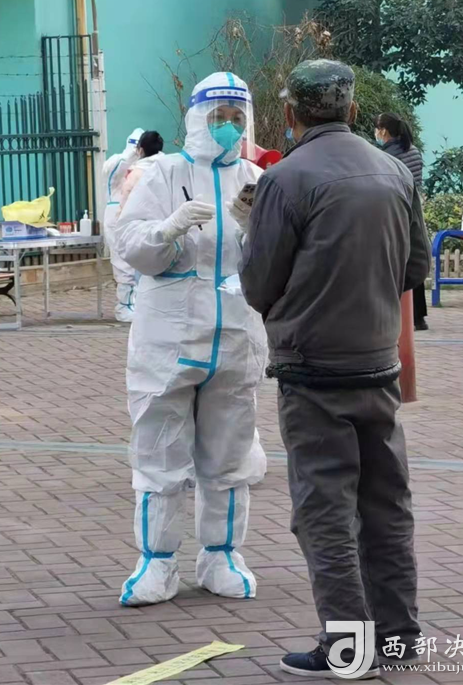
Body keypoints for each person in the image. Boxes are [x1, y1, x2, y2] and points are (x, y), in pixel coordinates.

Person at [239, 59, 430, 679]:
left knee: (325, 513)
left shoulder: (285, 179)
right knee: (386, 507)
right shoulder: (394, 171)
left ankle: (349, 646)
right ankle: (399, 638)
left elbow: (258, 284)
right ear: (352, 110)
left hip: (313, 370)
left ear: (290, 113)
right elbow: (415, 269)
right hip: (377, 365)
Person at [115, 72, 267, 606]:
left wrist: (254, 228)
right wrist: (169, 228)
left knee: (229, 454)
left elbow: (274, 261)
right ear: (197, 117)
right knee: (159, 452)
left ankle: (221, 555)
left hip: (235, 334)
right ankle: (156, 562)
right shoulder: (162, 173)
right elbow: (132, 245)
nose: (227, 127)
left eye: (237, 118)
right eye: (218, 116)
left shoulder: (255, 178)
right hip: (168, 338)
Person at [374, 112, 428, 331]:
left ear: (383, 131)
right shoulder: (412, 150)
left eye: (377, 128)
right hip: (412, 211)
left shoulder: (386, 156)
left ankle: (398, 314)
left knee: (396, 262)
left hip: (394, 212)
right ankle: (418, 317)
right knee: (413, 260)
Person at [102, 127, 145, 323]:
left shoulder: (144, 166)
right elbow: (117, 169)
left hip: (135, 217)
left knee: (140, 262)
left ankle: (136, 303)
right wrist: (132, 153)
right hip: (117, 219)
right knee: (123, 264)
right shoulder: (116, 162)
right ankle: (124, 306)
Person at [118, 131, 165, 212]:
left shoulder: (135, 174)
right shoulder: (166, 169)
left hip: (139, 217)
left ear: (141, 151)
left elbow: (124, 203)